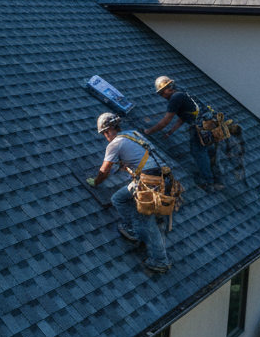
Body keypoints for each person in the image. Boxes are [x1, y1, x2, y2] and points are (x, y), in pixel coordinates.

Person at [86, 112, 170, 273]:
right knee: (118, 199)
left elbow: (104, 171)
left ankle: (161, 260)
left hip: (149, 182)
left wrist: (95, 181)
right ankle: (132, 229)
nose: (105, 136)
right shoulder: (133, 134)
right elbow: (143, 157)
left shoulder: (115, 143)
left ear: (110, 130)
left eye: (104, 133)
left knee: (148, 221)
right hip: (158, 177)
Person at [143, 76, 223, 192]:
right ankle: (216, 177)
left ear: (168, 89)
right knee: (207, 150)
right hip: (210, 124)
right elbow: (184, 117)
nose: (162, 95)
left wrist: (147, 132)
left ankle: (207, 182)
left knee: (198, 151)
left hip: (202, 127)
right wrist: (170, 132)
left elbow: (166, 121)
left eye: (161, 92)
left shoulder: (175, 97)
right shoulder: (181, 93)